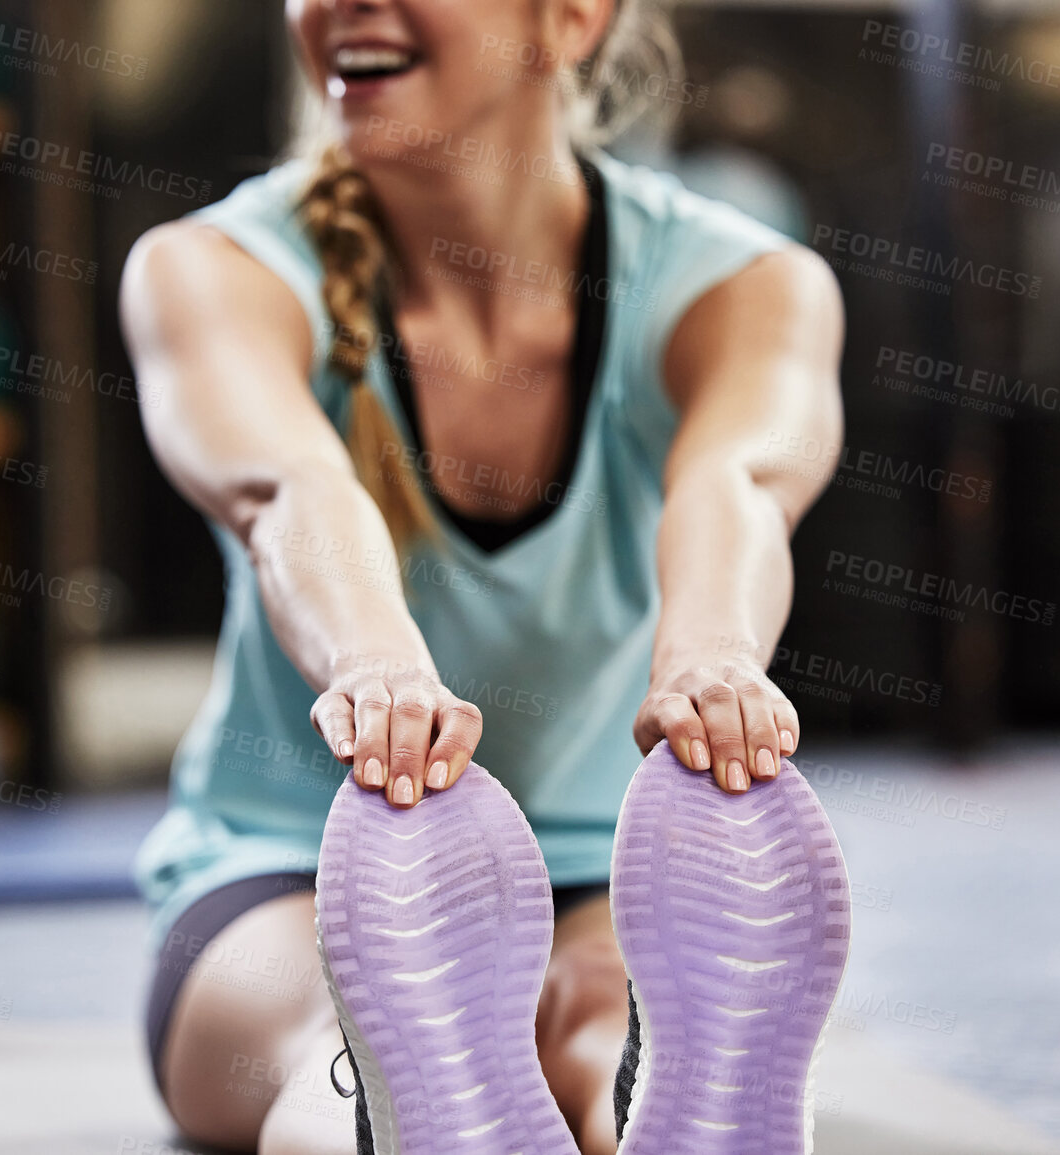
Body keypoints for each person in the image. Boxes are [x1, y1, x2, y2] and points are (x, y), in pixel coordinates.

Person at [119, 1, 845, 1151]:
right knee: (340, 1018)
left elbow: (742, 484)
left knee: (589, 1011)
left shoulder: (742, 284)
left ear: (570, 17)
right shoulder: (210, 270)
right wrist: (378, 674)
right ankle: (451, 1094)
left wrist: (711, 664)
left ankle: (626, 1091)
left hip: (607, 871)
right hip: (294, 869)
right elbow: (286, 490)